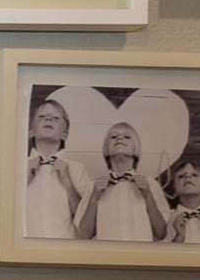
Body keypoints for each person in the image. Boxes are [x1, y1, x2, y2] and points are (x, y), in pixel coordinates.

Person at [75, 120, 172, 242]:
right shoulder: (93, 187)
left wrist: (148, 196)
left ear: (136, 148)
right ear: (106, 149)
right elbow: (83, 235)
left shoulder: (151, 184)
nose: (119, 138)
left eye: (127, 137)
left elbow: (161, 233)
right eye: (114, 136)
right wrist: (94, 198)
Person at [20, 96, 85, 239]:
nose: (48, 119)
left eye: (55, 118)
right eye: (42, 116)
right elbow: (5, 213)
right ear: (31, 131)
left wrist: (68, 183)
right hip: (25, 249)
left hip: (64, 251)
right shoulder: (17, 167)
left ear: (65, 134)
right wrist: (24, 178)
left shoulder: (77, 169)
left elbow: (85, 220)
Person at [160, 153, 200, 244]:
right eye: (181, 176)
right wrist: (179, 237)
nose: (188, 177)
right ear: (174, 187)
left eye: (194, 175)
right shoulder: (166, 219)